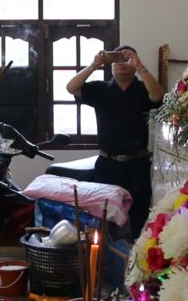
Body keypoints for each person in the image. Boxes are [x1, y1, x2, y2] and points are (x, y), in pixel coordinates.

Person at [66, 45, 164, 239]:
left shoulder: (143, 89)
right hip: (107, 165)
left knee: (140, 220)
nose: (121, 62)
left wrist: (140, 65)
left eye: (126, 58)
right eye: (117, 59)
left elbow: (158, 96)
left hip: (138, 165)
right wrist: (93, 66)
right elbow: (71, 87)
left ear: (135, 65)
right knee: (104, 222)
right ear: (110, 66)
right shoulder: (100, 89)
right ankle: (103, 264)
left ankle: (137, 263)